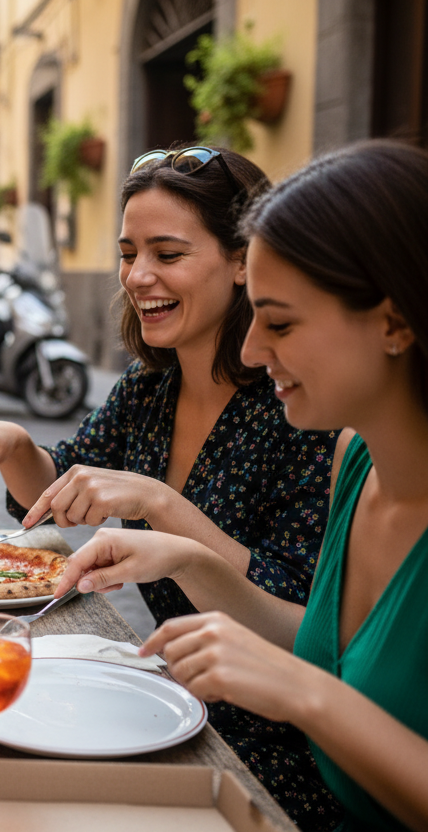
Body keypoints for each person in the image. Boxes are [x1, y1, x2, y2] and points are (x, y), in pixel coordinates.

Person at [0, 146, 340, 829]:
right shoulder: (151, 386)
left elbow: (299, 613)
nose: (138, 275)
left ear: (244, 261)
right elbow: (64, 490)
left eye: (168, 253)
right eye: (128, 253)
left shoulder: (296, 407)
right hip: (161, 702)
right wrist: (15, 445)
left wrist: (160, 505)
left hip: (266, 749)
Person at [56, 139, 428, 831]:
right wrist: (186, 557)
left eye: (280, 321)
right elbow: (314, 641)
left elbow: (314, 680)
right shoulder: (357, 462)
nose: (252, 350)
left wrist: (309, 697)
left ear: (395, 320)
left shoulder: (315, 435)